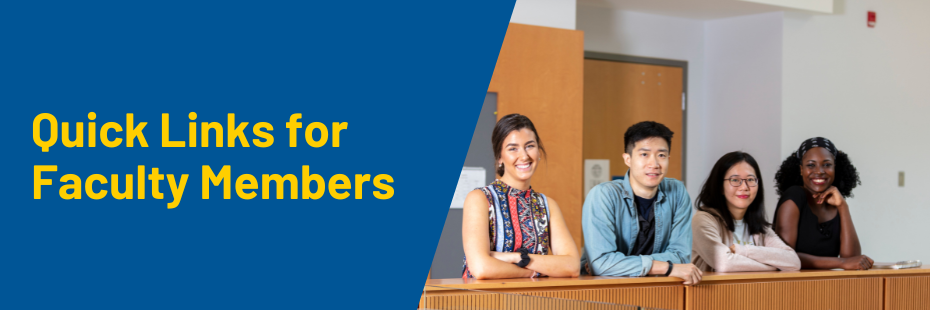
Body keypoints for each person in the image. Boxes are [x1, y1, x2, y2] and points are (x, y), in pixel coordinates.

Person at [580, 121, 702, 284]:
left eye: (661, 155)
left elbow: (681, 256)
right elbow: (602, 264)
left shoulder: (678, 192)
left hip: (657, 290)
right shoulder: (603, 195)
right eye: (644, 154)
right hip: (607, 292)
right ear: (627, 159)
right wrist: (667, 267)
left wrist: (618, 263)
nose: (654, 164)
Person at [461, 114, 580, 279]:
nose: (524, 156)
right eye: (513, 148)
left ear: (538, 151)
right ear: (499, 157)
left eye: (530, 146)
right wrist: (536, 271)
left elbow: (572, 266)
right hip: (486, 301)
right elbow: (481, 268)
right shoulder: (480, 198)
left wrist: (517, 258)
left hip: (536, 302)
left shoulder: (547, 205)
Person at [773, 137, 873, 270]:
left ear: (835, 168)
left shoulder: (835, 202)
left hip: (826, 284)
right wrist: (840, 263)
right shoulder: (794, 196)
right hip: (793, 285)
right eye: (811, 165)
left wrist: (843, 207)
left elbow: (852, 259)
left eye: (826, 164)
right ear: (801, 169)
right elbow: (784, 257)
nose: (819, 171)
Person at [691, 151, 800, 272]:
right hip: (713, 291)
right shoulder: (703, 220)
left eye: (750, 179)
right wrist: (773, 266)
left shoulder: (758, 227)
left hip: (752, 290)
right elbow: (723, 263)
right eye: (735, 180)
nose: (744, 187)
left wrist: (743, 250)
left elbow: (793, 262)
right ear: (720, 187)